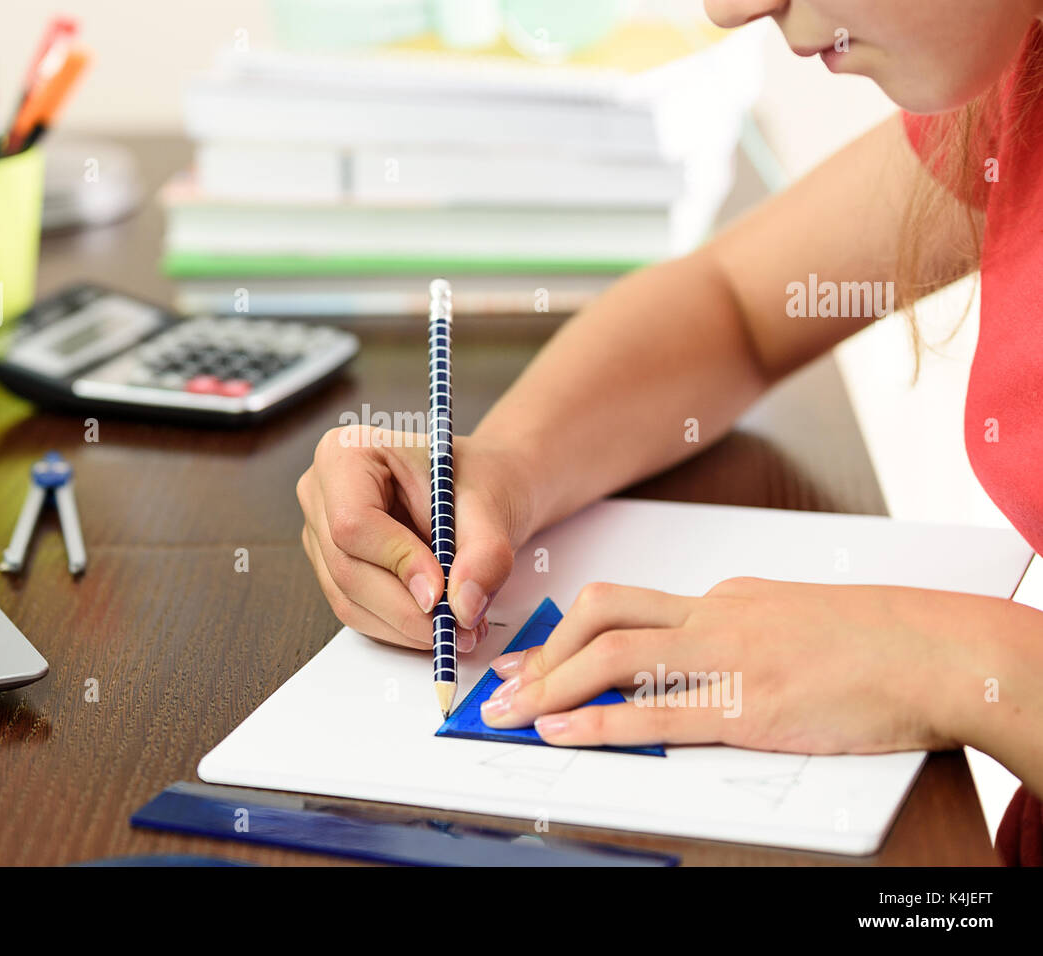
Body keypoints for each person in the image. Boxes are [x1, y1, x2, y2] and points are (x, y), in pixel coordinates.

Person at [296, 0, 1043, 864]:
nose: (730, 9)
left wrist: (948, 662)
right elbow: (734, 306)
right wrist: (506, 468)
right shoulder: (1011, 92)